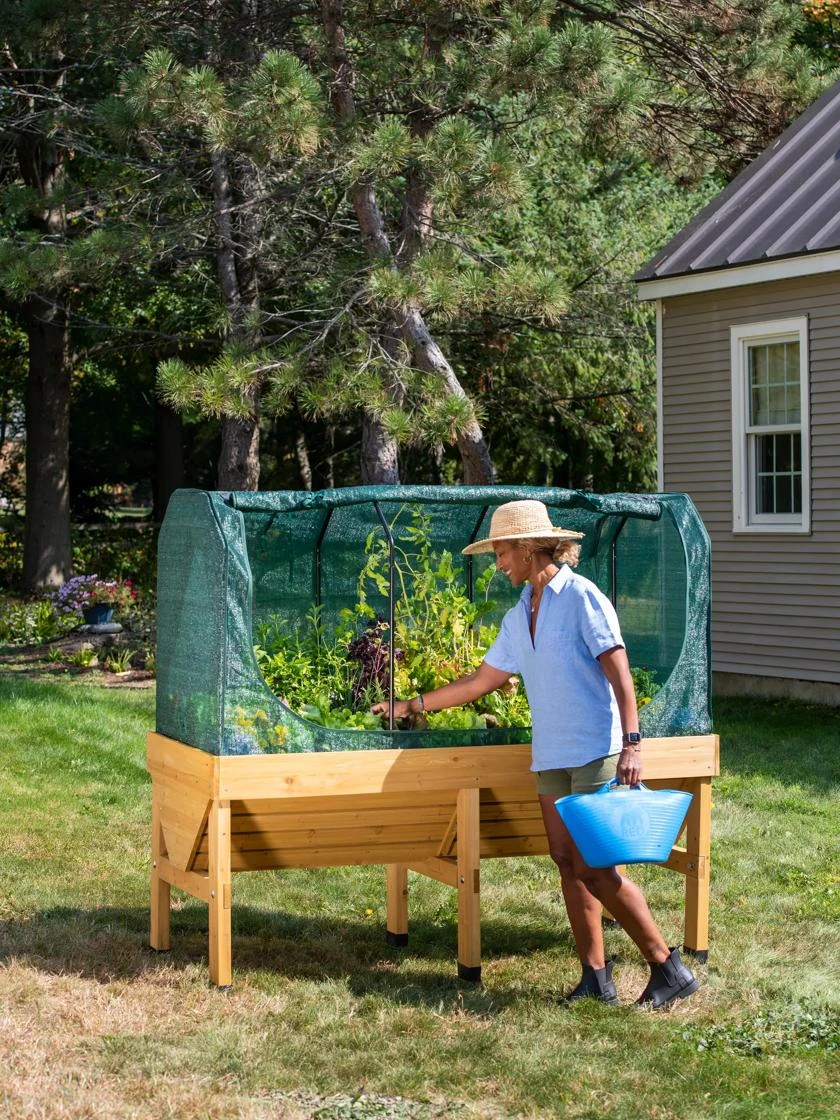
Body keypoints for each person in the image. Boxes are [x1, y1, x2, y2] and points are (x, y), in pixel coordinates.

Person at [372, 499, 698, 1009]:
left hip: (595, 750)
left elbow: (620, 672)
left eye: (501, 553)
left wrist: (633, 744)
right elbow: (482, 680)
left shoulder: (581, 597)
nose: (498, 564)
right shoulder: (519, 613)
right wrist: (411, 705)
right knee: (566, 862)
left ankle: (667, 967)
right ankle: (596, 978)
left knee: (596, 868)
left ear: (527, 548)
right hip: (551, 755)